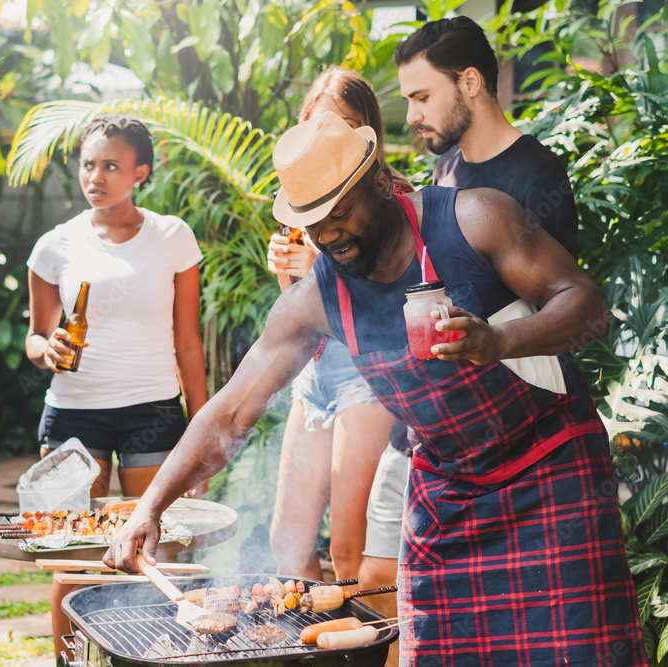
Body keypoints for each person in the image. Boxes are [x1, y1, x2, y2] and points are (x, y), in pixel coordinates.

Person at [105, 111, 646, 665]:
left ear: (382, 184)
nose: (329, 234)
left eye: (339, 212)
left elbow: (587, 304)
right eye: (314, 223)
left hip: (551, 472)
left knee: (580, 652)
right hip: (449, 492)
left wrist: (498, 340)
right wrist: (149, 506)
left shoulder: (476, 217)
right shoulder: (314, 300)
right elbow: (231, 412)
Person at [25, 113, 207, 662]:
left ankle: (150, 655)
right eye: (87, 164)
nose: (96, 176)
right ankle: (69, 662)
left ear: (140, 172)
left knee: (156, 550)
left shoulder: (172, 237)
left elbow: (189, 343)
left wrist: (202, 436)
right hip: (73, 414)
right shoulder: (55, 245)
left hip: (153, 409)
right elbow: (34, 339)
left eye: (111, 165)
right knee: (73, 556)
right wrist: (46, 350)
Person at [266, 68, 404, 659]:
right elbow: (296, 323)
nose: (327, 137)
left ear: (367, 134)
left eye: (342, 126)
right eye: (314, 125)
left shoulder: (387, 200)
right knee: (288, 546)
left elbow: (391, 297)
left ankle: (376, 653)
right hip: (315, 376)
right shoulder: (303, 200)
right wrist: (288, 276)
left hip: (365, 379)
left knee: (351, 556)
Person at [396, 15, 579, 256]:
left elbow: (564, 291)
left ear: (470, 83)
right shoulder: (445, 166)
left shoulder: (538, 176)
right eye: (408, 101)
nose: (412, 117)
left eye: (423, 98)